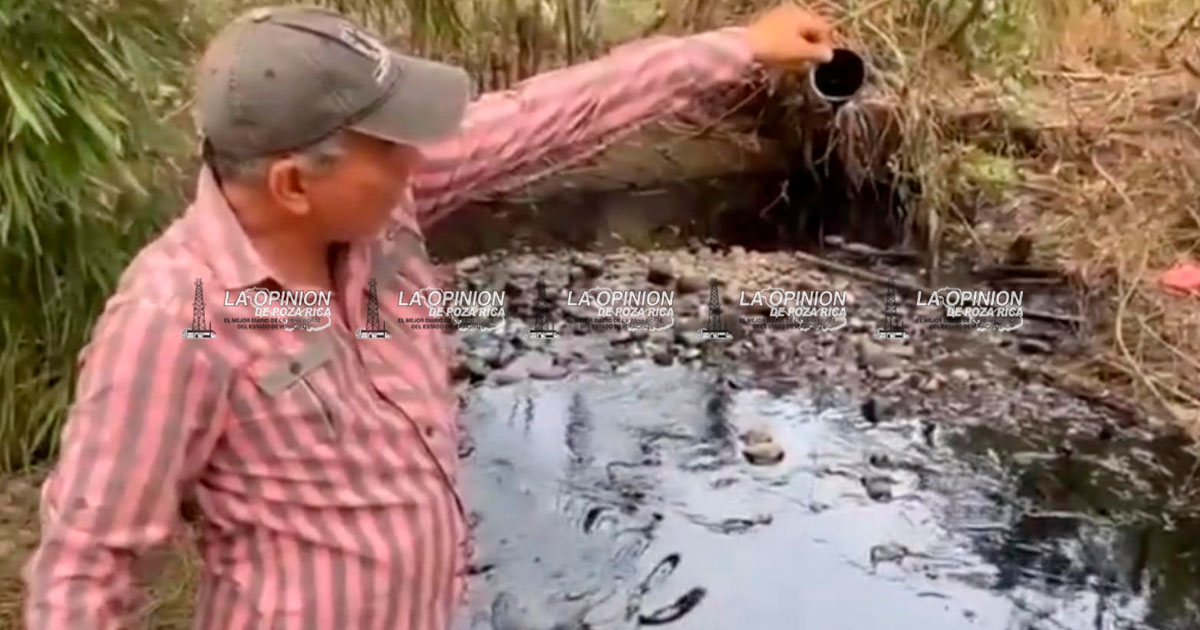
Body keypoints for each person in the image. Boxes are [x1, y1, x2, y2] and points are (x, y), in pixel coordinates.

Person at [22, 3, 835, 629]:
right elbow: (84, 571)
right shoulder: (174, 319)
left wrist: (734, 47)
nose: (421, 159)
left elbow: (552, 112)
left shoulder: (383, 208)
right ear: (294, 186)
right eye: (392, 146)